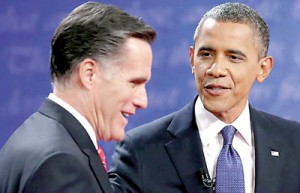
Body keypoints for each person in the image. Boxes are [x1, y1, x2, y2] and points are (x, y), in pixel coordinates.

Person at [108, 2, 300, 193]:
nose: (216, 70)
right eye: (206, 54)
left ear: (263, 69)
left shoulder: (294, 143)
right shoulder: (141, 150)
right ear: (192, 59)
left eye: (234, 57)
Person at [0, 1, 156, 193]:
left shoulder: (34, 137)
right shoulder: (61, 162)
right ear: (89, 74)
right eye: (134, 83)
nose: (143, 101)